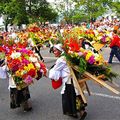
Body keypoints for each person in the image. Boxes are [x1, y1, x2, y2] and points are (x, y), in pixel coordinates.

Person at [49, 44, 87, 120]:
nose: (54, 52)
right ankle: (80, 111)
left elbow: (54, 72)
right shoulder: (68, 55)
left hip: (69, 81)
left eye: (55, 50)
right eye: (53, 51)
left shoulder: (61, 59)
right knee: (76, 94)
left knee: (70, 97)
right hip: (74, 79)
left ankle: (77, 112)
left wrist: (50, 72)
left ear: (60, 50)